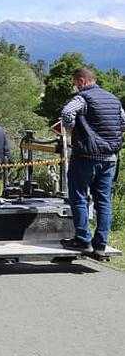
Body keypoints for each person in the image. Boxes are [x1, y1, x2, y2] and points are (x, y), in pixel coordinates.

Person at [59, 68, 125, 255]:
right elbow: (123, 123)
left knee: (79, 197)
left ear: (81, 81)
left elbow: (66, 114)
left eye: (75, 83)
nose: (75, 86)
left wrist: (72, 131)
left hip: (85, 157)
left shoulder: (83, 98)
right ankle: (101, 245)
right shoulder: (114, 99)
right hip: (110, 158)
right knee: (103, 202)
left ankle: (82, 240)